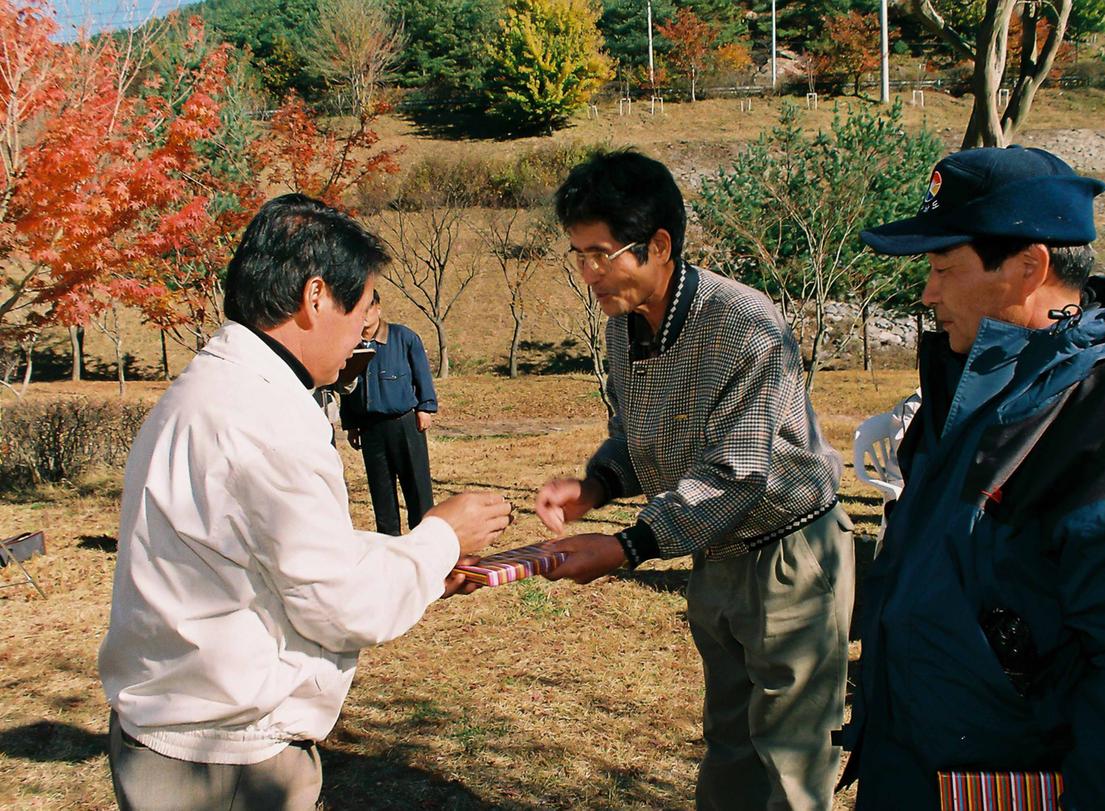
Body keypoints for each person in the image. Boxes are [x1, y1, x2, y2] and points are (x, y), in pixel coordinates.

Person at [98, 194, 512, 811]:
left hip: (175, 734)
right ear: (316, 297)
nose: (363, 337)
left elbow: (282, 558)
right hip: (227, 763)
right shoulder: (265, 420)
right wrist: (440, 535)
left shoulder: (212, 389)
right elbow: (341, 605)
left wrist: (420, 571)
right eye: (361, 314)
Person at [844, 146, 1105, 810]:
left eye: (945, 268)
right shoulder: (974, 391)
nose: (928, 294)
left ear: (1029, 267)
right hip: (922, 775)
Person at [536, 150, 854, 811]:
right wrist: (593, 485)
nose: (589, 273)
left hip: (789, 554)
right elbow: (638, 432)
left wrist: (626, 546)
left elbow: (737, 470)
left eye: (601, 253)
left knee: (792, 763)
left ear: (658, 245)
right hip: (715, 552)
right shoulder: (627, 327)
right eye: (579, 255)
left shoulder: (742, 321)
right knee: (731, 747)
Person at [340, 290, 437, 535]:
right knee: (381, 492)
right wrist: (351, 424)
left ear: (378, 308)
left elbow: (421, 374)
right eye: (357, 309)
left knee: (417, 488)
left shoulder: (403, 337)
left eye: (368, 308)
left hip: (404, 423)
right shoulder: (348, 344)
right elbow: (346, 386)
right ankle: (390, 547)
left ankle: (426, 544)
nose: (363, 315)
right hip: (370, 428)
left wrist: (425, 407)